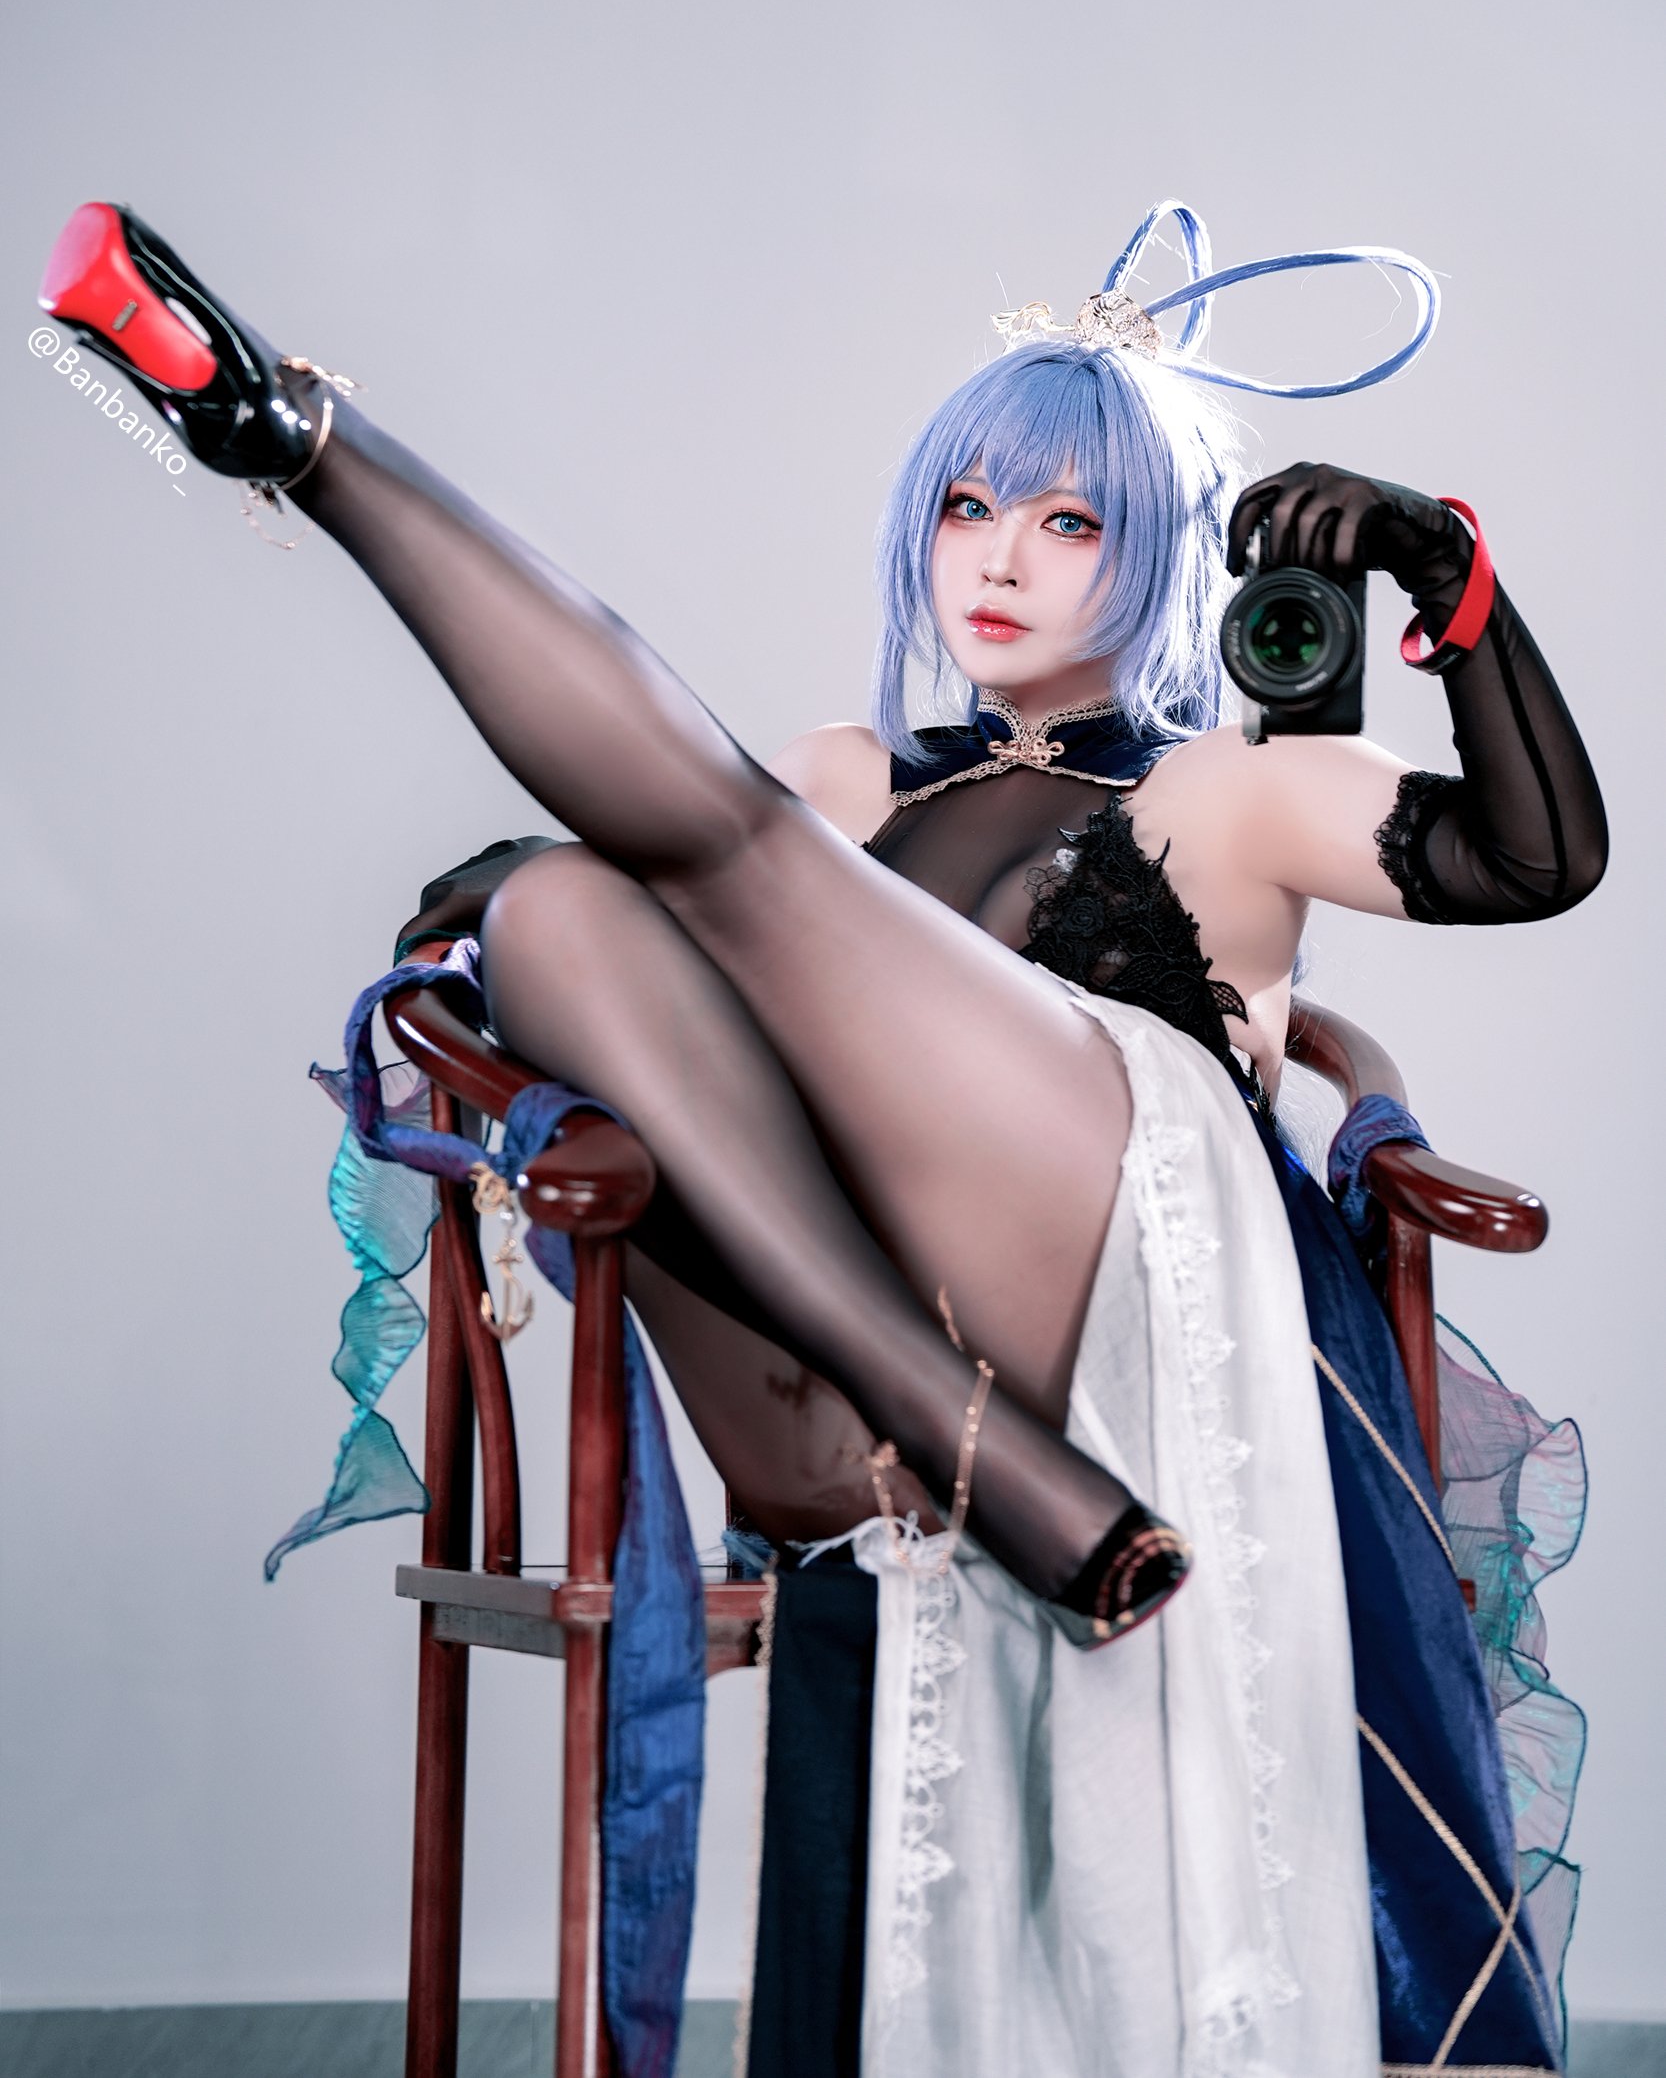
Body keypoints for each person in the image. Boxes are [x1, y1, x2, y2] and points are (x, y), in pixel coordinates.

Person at [38, 197, 1605, 2076]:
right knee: (561, 903)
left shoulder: (1227, 788)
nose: (997, 558)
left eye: (1069, 522)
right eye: (965, 507)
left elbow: (1536, 860)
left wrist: (1450, 582)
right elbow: (658, 920)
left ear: (1163, 555)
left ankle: (294, 435)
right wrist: (534, 903)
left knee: (709, 851)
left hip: (1128, 1305)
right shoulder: (854, 781)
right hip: (857, 1387)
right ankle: (967, 1446)